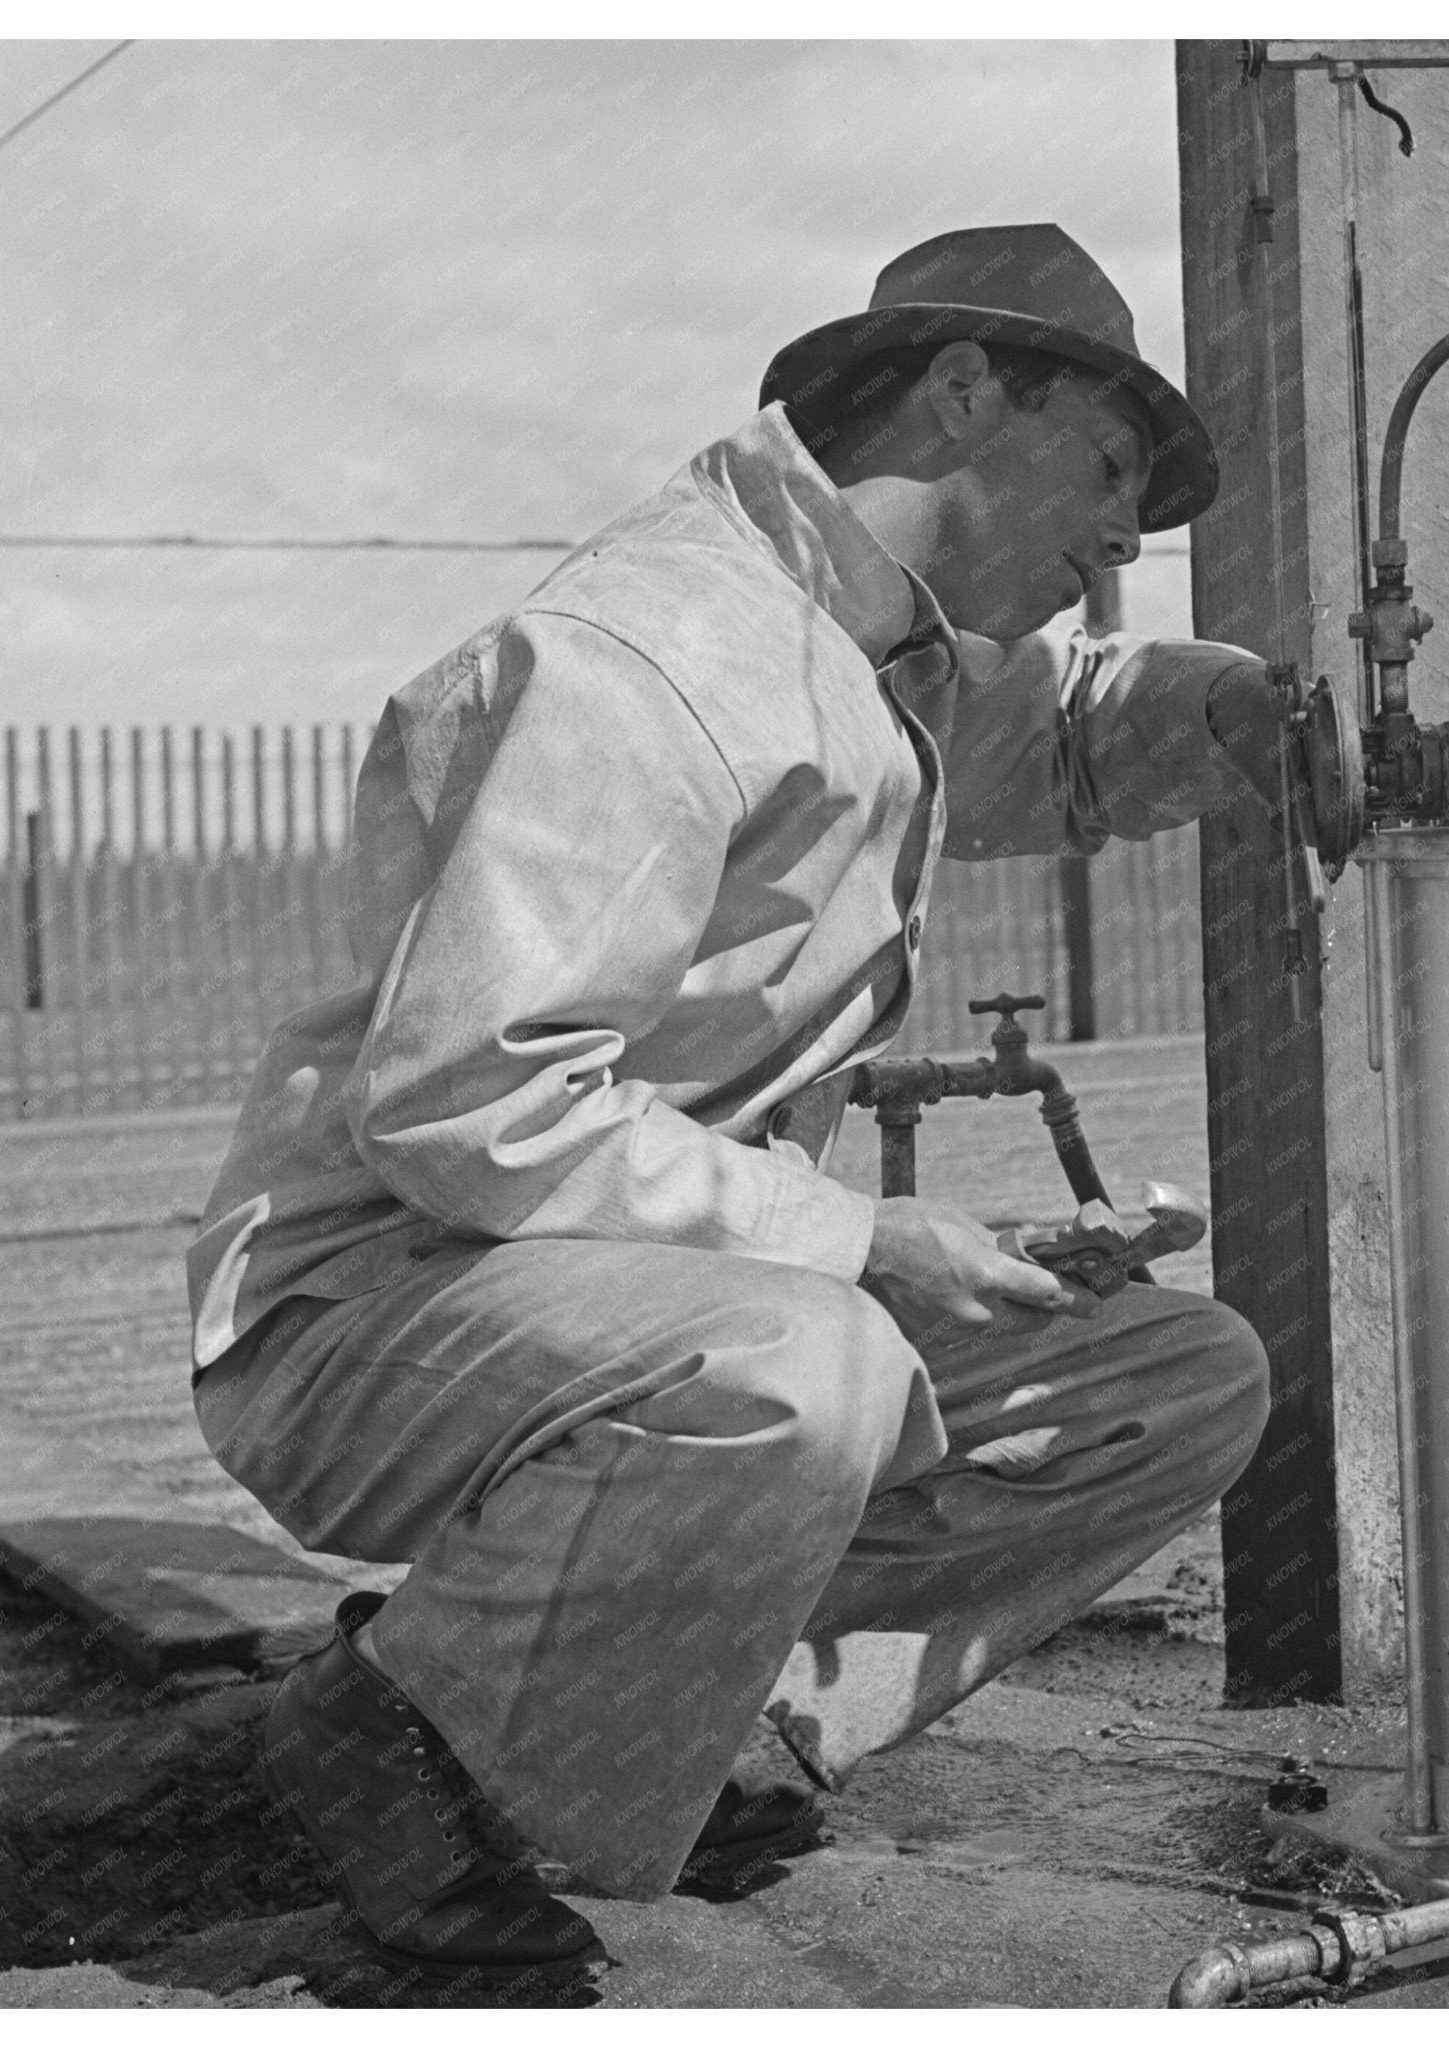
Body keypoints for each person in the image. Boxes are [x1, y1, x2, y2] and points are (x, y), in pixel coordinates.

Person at [188, 223, 1301, 1989]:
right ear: (960, 394)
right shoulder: (650, 658)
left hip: (620, 1294)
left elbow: (1063, 734)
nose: (1128, 539)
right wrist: (856, 1237)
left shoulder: (866, 648)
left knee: (1171, 1384)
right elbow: (472, 1101)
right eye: (1107, 465)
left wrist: (1250, 709)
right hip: (378, 1307)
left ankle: (708, 1730)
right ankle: (397, 1748)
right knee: (809, 1365)